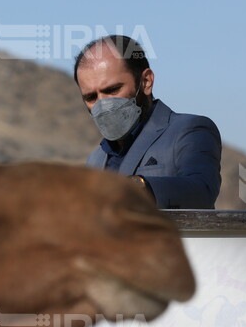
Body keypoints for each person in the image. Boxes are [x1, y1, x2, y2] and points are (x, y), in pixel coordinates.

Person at [74, 35, 221, 209]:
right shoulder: (95, 159)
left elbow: (202, 190)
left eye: (112, 90)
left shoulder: (190, 130)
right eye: (91, 97)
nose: (102, 104)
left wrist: (139, 187)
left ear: (146, 82)